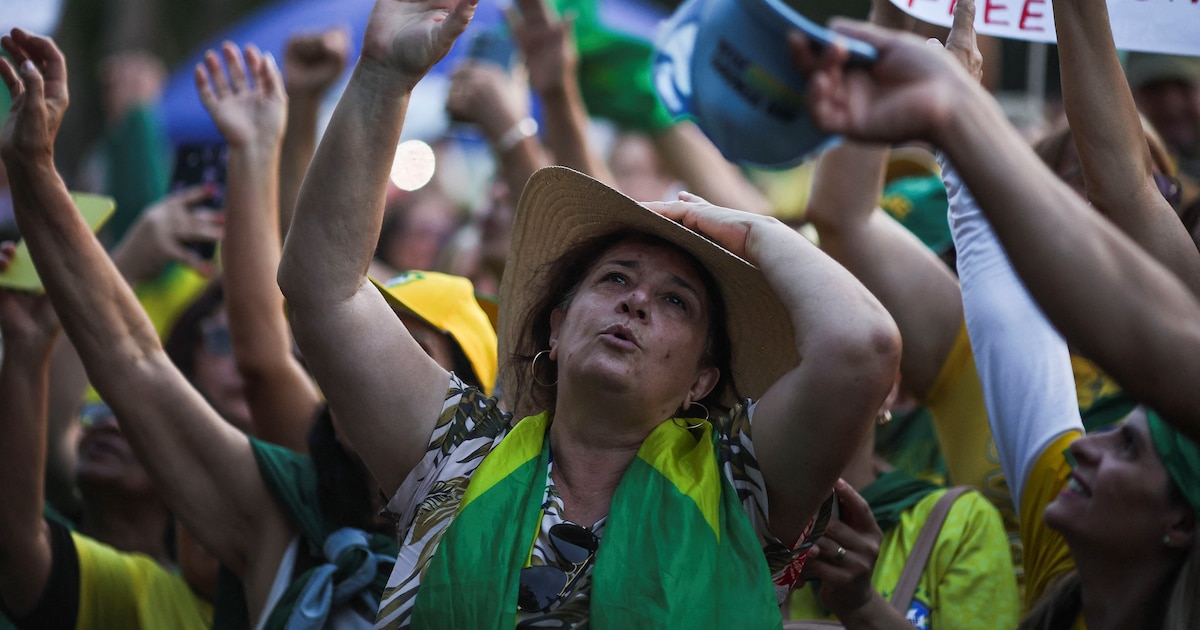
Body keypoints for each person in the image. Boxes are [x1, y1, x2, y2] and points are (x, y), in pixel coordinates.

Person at [276, 1, 901, 628]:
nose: (636, 300)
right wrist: (383, 76)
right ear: (555, 324)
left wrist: (747, 228)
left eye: (676, 301)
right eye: (615, 279)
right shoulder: (458, 458)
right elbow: (323, 289)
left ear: (701, 381)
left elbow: (863, 345)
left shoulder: (738, 488)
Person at [790, 9, 1200, 629]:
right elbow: (1115, 194)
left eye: (1128, 446)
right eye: (1046, 192)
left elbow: (1127, 191)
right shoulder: (1066, 555)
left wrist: (958, 118)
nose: (1087, 451)